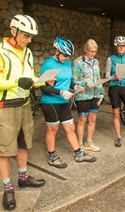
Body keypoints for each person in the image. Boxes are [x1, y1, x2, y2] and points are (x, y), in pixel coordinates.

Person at [0, 15, 49, 210]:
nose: (29, 40)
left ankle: (23, 177)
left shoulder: (28, 53)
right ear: (13, 31)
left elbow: (29, 79)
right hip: (5, 105)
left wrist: (44, 80)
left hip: (24, 105)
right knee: (5, 149)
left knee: (24, 143)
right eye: (26, 35)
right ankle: (7, 188)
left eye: (32, 36)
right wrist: (17, 82)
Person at [40, 36, 96, 169]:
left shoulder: (66, 64)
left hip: (63, 101)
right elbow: (43, 87)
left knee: (70, 127)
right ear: (56, 51)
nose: (66, 58)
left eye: (68, 55)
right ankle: (52, 157)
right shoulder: (48, 64)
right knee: (53, 129)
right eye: (65, 55)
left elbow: (69, 80)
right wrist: (60, 92)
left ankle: (79, 154)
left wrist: (75, 86)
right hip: (50, 101)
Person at [73, 39, 104, 152]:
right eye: (91, 51)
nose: (94, 54)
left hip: (95, 94)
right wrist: (85, 84)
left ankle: (89, 141)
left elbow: (98, 78)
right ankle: (80, 144)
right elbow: (74, 80)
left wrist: (101, 94)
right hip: (83, 95)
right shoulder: (77, 62)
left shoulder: (96, 62)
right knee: (82, 120)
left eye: (95, 51)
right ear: (85, 50)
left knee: (92, 120)